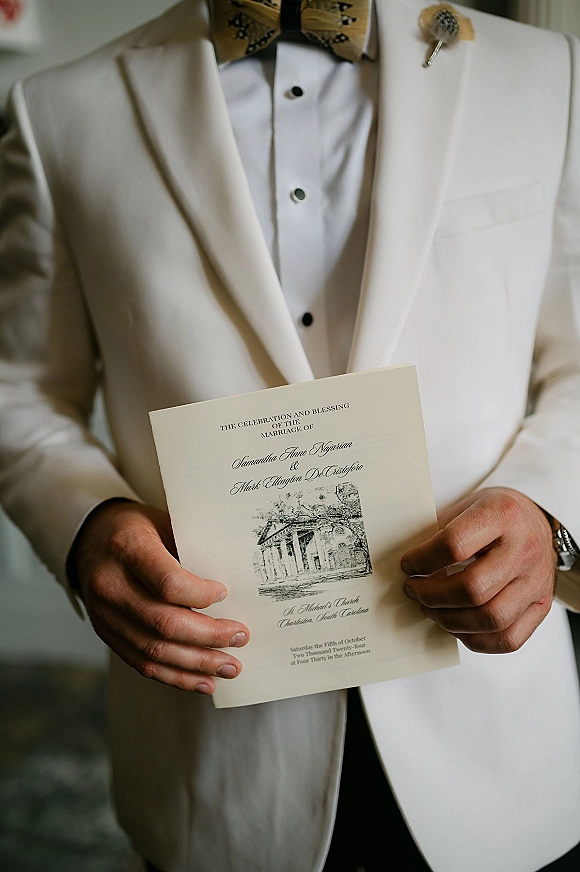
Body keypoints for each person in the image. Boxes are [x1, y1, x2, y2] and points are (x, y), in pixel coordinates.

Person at [1, 0, 580, 870]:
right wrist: (86, 526)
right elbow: (18, 387)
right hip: (215, 748)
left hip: (494, 723)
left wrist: (549, 507)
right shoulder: (58, 110)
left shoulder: (545, 74)